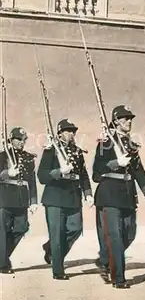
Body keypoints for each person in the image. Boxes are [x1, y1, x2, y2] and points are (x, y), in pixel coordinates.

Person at [92, 105, 145, 289]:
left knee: (130, 233)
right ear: (116, 121)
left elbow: (138, 170)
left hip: (127, 194)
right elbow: (96, 173)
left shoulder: (131, 144)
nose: (129, 121)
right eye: (125, 119)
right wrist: (114, 163)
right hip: (109, 194)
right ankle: (118, 278)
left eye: (130, 118)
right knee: (115, 237)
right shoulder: (105, 143)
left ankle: (105, 260)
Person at [38, 119, 93, 280]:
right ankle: (58, 270)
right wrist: (60, 172)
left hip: (73, 196)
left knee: (75, 229)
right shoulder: (51, 150)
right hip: (55, 196)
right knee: (57, 233)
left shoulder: (77, 151)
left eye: (73, 131)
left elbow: (83, 175)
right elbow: (42, 176)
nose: (72, 134)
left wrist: (88, 193)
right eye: (68, 131)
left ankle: (50, 250)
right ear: (60, 133)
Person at [0, 127, 37, 274]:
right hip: (4, 197)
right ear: (11, 140)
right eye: (18, 140)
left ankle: (1, 257)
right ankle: (2, 264)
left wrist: (33, 200)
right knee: (2, 231)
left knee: (22, 228)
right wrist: (7, 173)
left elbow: (32, 181)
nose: (21, 143)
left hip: (21, 198)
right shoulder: (3, 156)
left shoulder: (28, 157)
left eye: (23, 140)